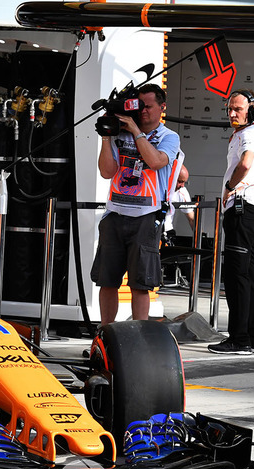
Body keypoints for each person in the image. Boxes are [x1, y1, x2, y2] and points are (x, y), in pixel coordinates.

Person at [91, 83, 181, 326]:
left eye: (149, 107)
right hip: (115, 213)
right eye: (139, 106)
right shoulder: (121, 133)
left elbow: (155, 162)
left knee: (140, 283)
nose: (143, 112)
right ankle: (104, 334)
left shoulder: (168, 137)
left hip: (146, 216)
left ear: (162, 107)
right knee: (107, 280)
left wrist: (135, 131)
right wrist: (108, 137)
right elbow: (107, 172)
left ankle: (138, 338)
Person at [208, 89, 254, 354]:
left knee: (238, 278)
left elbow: (246, 164)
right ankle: (251, 339)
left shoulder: (249, 134)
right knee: (251, 277)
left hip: (242, 211)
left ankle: (239, 339)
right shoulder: (252, 135)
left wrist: (230, 187)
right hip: (253, 209)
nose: (232, 114)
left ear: (252, 110)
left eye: (238, 109)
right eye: (230, 109)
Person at [164, 165, 196, 238]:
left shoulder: (182, 191)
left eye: (184, 182)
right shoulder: (156, 185)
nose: (182, 185)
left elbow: (192, 219)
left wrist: (202, 238)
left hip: (166, 231)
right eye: (180, 181)